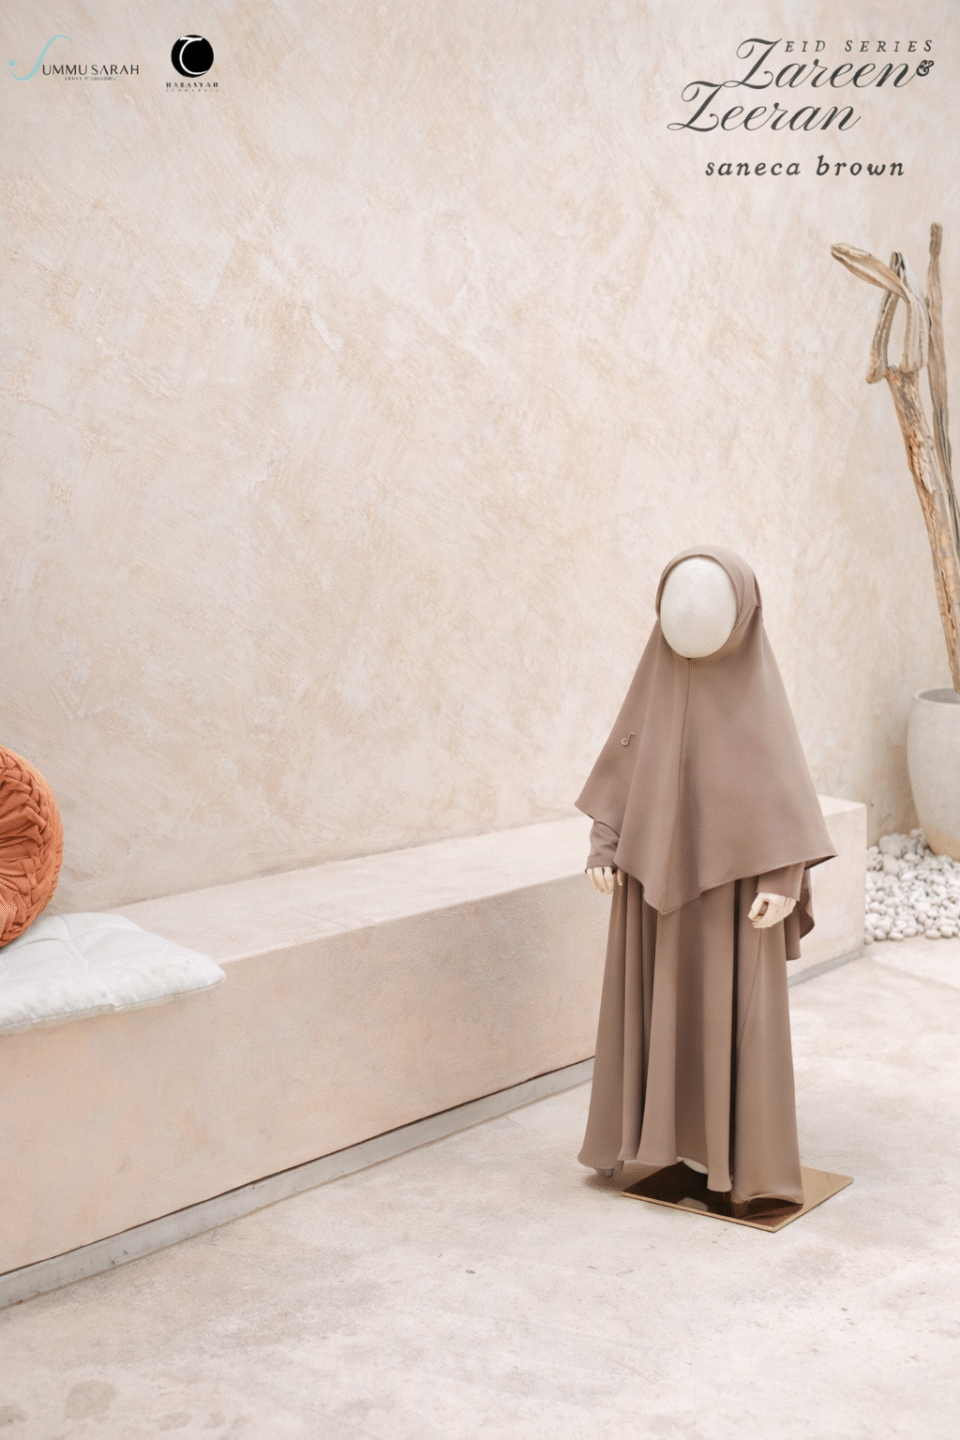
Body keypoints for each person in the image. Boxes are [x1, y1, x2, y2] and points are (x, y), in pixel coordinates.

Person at [576, 545, 836, 1205]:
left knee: (729, 1009)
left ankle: (730, 1153)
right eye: (677, 603)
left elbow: (780, 792)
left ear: (743, 614)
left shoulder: (757, 695)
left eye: (709, 604)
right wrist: (605, 841)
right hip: (651, 882)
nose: (690, 616)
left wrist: (783, 876)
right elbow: (625, 762)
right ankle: (659, 1141)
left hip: (733, 890)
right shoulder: (656, 678)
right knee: (658, 997)